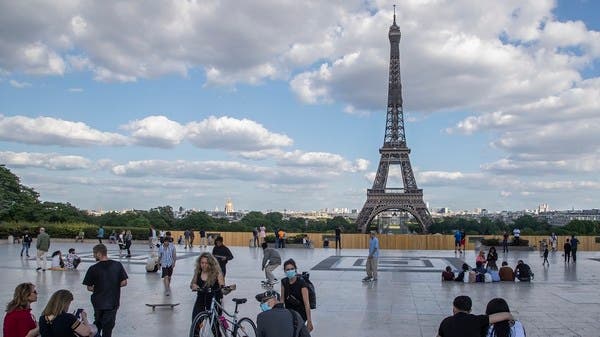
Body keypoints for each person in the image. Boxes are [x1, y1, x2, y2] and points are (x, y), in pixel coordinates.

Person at [82, 244, 128, 337]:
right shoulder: (117, 265)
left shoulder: (93, 268)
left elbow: (89, 287)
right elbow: (124, 282)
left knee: (98, 323)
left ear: (99, 253)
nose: (93, 255)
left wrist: (100, 287)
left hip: (98, 302)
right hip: (112, 301)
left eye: (94, 253)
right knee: (108, 328)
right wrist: (112, 286)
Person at [437, 295, 513, 337]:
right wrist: (512, 320)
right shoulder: (478, 320)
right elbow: (506, 315)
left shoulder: (445, 322)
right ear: (470, 310)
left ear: (454, 308)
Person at [190, 252, 225, 321]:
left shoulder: (217, 273)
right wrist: (193, 286)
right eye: (202, 263)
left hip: (214, 300)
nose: (204, 265)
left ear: (211, 264)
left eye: (206, 263)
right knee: (195, 322)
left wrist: (226, 290)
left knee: (215, 328)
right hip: (200, 299)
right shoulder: (198, 272)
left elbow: (223, 288)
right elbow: (192, 284)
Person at [281, 259, 313, 332]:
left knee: (297, 332)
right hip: (289, 313)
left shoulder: (302, 283)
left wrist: (309, 321)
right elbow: (282, 299)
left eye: (292, 269)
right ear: (285, 271)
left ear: (295, 269)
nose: (290, 271)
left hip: (300, 314)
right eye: (288, 269)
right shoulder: (284, 282)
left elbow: (306, 304)